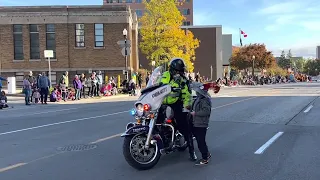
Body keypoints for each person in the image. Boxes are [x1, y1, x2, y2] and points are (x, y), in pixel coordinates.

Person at [159, 57, 196, 161]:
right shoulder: (165, 75)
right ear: (171, 69)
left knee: (184, 125)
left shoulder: (184, 81)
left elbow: (187, 96)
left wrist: (186, 109)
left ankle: (192, 151)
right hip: (161, 103)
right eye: (176, 70)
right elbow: (158, 85)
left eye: (180, 71)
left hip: (176, 104)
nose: (178, 73)